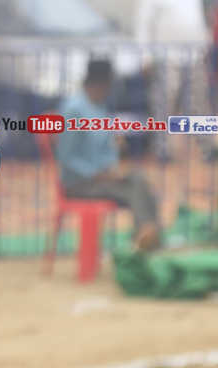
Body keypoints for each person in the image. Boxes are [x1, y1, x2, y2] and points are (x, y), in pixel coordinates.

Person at [56, 59, 161, 251]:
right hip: (79, 184)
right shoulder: (73, 110)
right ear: (101, 84)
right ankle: (147, 236)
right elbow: (66, 158)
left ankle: (148, 234)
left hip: (104, 178)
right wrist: (96, 174)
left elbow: (107, 147)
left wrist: (112, 169)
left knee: (138, 178)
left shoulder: (100, 107)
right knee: (133, 191)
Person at [133, 0, 209, 160]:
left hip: (192, 56)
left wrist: (203, 46)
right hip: (166, 57)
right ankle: (162, 149)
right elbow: (143, 25)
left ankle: (206, 147)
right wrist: (145, 57)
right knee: (163, 104)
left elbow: (198, 17)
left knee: (198, 104)